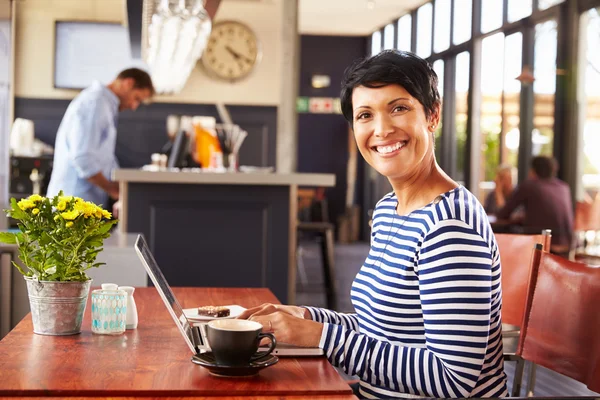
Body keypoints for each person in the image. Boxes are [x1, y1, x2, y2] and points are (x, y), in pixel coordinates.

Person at [239, 50, 507, 398]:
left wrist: (318, 336)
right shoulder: (388, 210)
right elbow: (379, 331)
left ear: (433, 115)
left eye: (399, 108)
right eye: (365, 115)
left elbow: (452, 379)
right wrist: (303, 317)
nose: (382, 130)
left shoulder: (448, 224)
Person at [47, 68, 155, 208]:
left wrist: (123, 185)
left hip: (83, 207)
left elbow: (104, 158)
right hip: (72, 207)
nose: (134, 106)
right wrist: (113, 190)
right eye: (136, 98)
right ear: (128, 83)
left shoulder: (105, 105)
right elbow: (83, 158)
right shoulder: (95, 103)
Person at [497, 156, 574, 256]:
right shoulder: (564, 187)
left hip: (542, 245)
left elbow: (503, 214)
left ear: (533, 171)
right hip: (567, 246)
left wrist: (498, 191)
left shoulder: (529, 186)